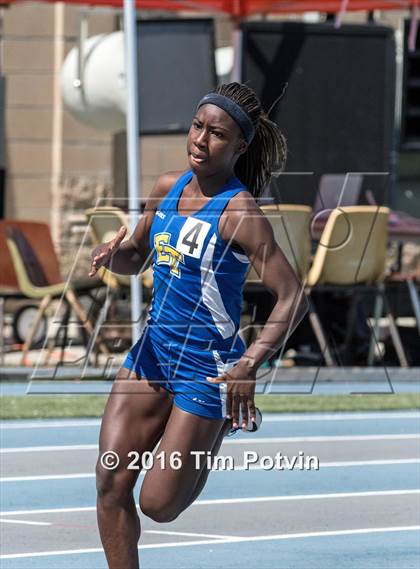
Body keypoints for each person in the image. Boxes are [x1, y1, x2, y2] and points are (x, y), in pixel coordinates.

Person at [90, 82, 308, 569]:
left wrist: (250, 363)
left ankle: (215, 424)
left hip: (207, 368)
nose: (200, 140)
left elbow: (293, 297)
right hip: (152, 353)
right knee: (110, 482)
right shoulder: (168, 187)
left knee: (158, 504)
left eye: (216, 134)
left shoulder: (240, 212)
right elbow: (136, 258)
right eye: (197, 126)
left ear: (240, 145)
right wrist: (112, 255)